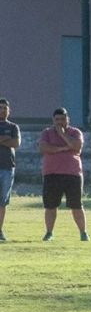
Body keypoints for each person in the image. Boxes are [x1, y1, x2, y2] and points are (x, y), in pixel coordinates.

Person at [38, 107, 89, 242]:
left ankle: (83, 233)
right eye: (57, 119)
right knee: (50, 205)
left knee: (76, 205)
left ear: (68, 119)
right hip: (52, 173)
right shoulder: (47, 133)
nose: (60, 122)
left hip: (72, 174)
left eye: (62, 119)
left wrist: (62, 135)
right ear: (53, 120)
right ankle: (49, 232)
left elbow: (76, 146)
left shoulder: (75, 132)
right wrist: (64, 148)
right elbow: (44, 148)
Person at [0, 98, 21, 242]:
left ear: (9, 110)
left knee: (2, 202)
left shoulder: (13, 127)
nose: (2, 110)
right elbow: (10, 141)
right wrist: (5, 139)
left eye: (4, 108)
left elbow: (16, 143)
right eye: (0, 108)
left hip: (7, 168)